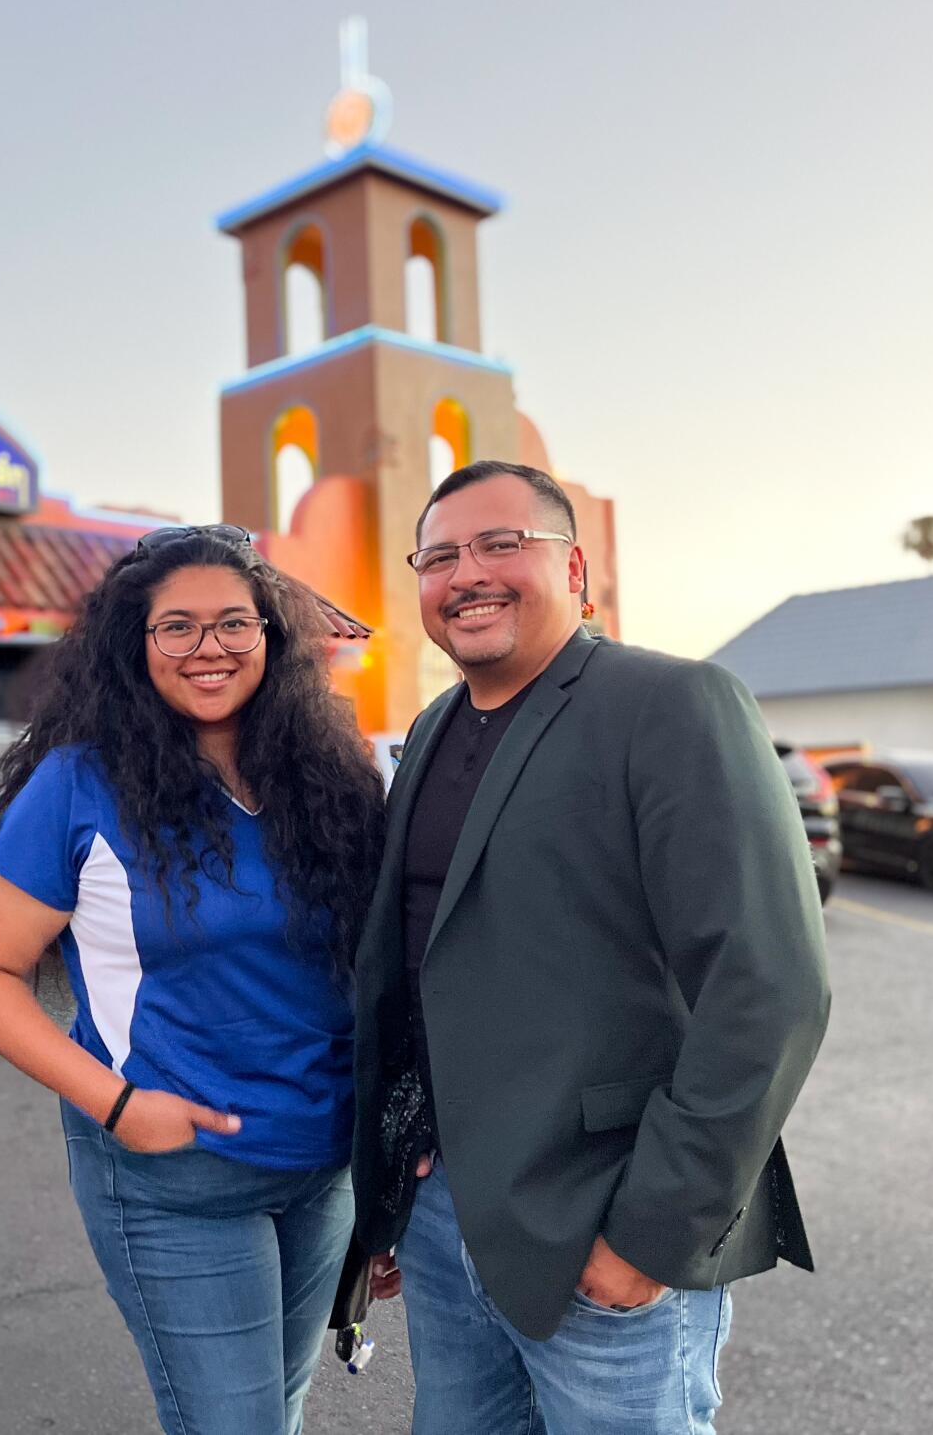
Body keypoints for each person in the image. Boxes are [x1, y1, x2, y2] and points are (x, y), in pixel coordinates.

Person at [351, 462, 831, 1434]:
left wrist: (646, 1238)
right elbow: (415, 972)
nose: (466, 573)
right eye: (438, 556)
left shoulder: (670, 704)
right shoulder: (434, 725)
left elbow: (767, 988)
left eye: (500, 545)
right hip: (445, 1216)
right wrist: (387, 1189)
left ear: (573, 569)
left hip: (598, 1221)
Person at [0, 524, 385, 1435]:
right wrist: (116, 1106)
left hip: (324, 1166)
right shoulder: (79, 784)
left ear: (272, 634)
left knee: (280, 1412)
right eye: (175, 627)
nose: (207, 648)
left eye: (233, 623)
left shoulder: (334, 776)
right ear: (133, 646)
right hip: (172, 1179)